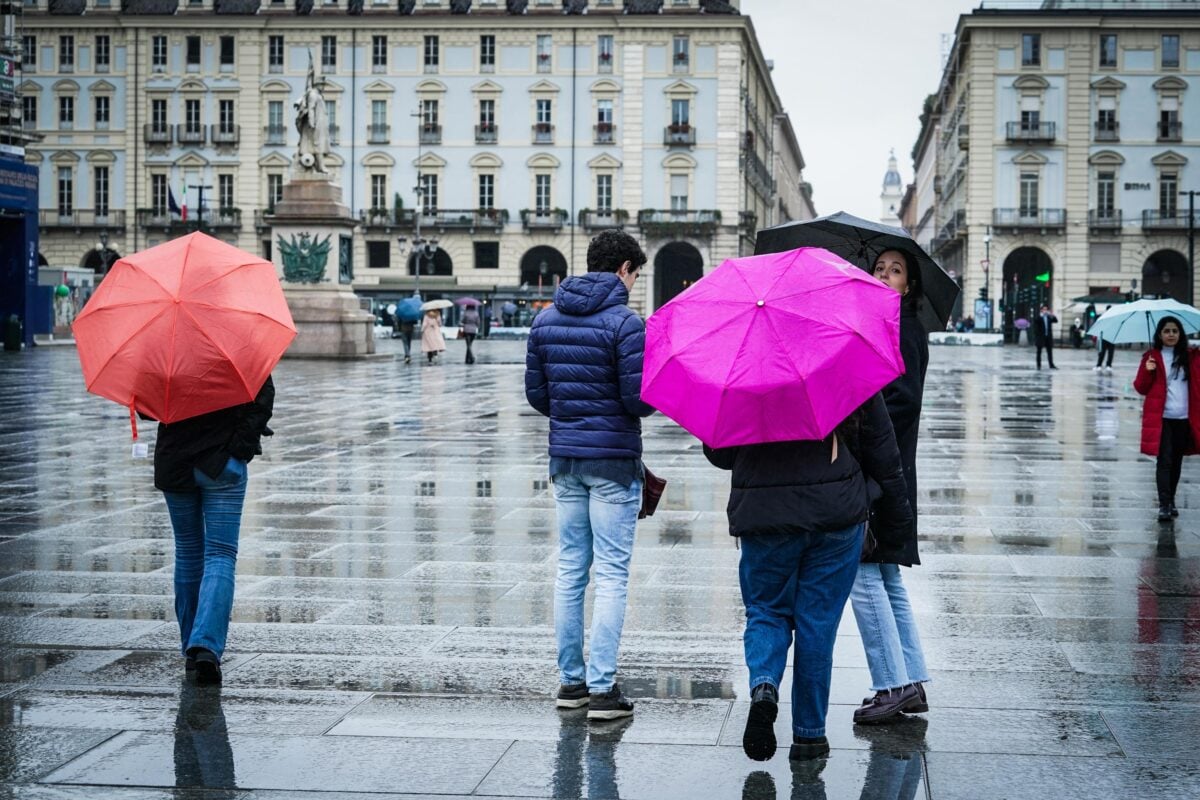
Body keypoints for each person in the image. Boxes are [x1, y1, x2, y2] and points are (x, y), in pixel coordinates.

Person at [705, 394, 912, 763]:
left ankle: (765, 686)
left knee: (766, 610)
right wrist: (895, 524)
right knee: (818, 624)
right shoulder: (841, 357)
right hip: (836, 512)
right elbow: (883, 450)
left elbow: (720, 453)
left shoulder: (741, 370)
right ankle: (809, 737)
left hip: (764, 514)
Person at [525, 229, 655, 721]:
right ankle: (603, 690)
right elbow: (636, 400)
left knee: (570, 570)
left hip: (566, 460)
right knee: (613, 574)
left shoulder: (546, 319)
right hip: (613, 463)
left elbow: (538, 397)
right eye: (635, 273)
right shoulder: (625, 323)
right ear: (623, 268)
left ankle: (571, 684)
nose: (635, 282)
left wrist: (572, 410)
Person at [849, 249, 931, 726]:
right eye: (878, 268)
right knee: (884, 573)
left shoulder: (903, 325)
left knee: (862, 570)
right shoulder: (882, 322)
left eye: (894, 270)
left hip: (882, 468)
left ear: (909, 285)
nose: (883, 274)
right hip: (888, 466)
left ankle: (892, 684)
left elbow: (904, 399)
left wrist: (858, 411)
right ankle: (911, 679)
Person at [153, 376, 275, 684]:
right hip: (221, 461)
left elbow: (147, 406)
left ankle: (191, 648)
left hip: (174, 459)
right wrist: (240, 449)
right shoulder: (236, 343)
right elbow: (263, 397)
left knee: (188, 552)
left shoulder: (165, 346)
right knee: (220, 553)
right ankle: (205, 644)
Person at [1133, 316, 1200, 521]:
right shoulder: (1151, 357)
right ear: (1160, 335)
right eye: (1166, 331)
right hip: (1161, 418)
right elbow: (1140, 387)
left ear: (1180, 334)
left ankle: (1171, 500)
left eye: (1174, 331)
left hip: (1185, 417)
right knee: (1165, 461)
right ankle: (1163, 504)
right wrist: (1147, 371)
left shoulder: (1191, 357)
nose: (1171, 334)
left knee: (1177, 461)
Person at [1034, 304, 1058, 370]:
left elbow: (1056, 321)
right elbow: (1036, 321)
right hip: (1041, 337)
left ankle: (1051, 365)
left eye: (1046, 309)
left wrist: (1052, 315)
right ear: (1041, 310)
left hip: (1048, 337)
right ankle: (1038, 365)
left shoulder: (1049, 317)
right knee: (1039, 352)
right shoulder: (1039, 317)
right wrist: (1041, 316)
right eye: (1044, 309)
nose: (1045, 311)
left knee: (1050, 352)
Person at [1095, 306, 1115, 371]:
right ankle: (1099, 365)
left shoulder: (1113, 318)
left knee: (1109, 353)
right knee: (1102, 352)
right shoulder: (1104, 317)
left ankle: (1107, 365)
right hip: (1105, 337)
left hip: (1110, 338)